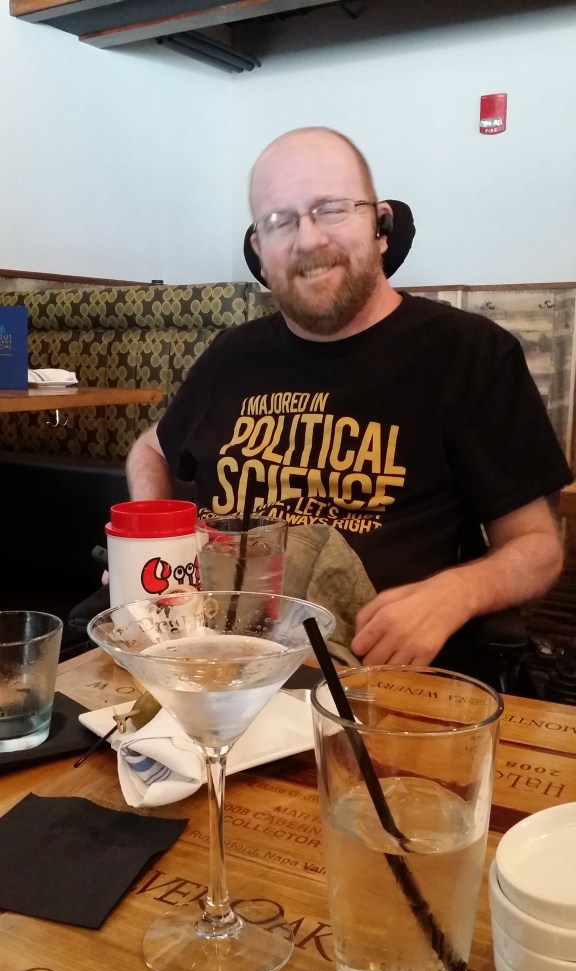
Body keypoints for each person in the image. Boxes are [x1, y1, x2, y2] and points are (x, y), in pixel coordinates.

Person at [127, 126, 572, 673]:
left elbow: (538, 546)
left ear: (380, 227)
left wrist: (457, 593)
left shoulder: (468, 353)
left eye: (331, 210)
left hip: (369, 680)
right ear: (259, 254)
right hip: (213, 661)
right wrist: (155, 544)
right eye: (280, 222)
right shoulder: (232, 355)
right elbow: (151, 449)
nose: (308, 239)